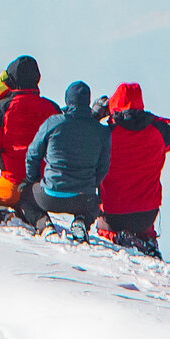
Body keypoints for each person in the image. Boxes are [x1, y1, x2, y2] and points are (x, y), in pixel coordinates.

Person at [94, 81, 170, 257]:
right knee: (142, 221)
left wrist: (96, 114)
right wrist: (149, 117)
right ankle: (148, 242)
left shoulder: (105, 135)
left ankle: (116, 236)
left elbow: (78, 136)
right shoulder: (158, 132)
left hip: (113, 212)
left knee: (104, 223)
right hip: (146, 214)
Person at [22, 81, 111, 236]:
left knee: (25, 195)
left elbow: (32, 154)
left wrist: (33, 179)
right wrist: (90, 185)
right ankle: (81, 221)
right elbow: (103, 166)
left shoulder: (53, 123)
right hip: (83, 198)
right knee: (95, 203)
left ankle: (44, 224)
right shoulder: (102, 132)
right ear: (88, 101)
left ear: (67, 99)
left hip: (50, 195)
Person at [0, 55, 60, 227]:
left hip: (11, 184)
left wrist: (2, 160)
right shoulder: (52, 108)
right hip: (44, 188)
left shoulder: (2, 108)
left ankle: (4, 215)